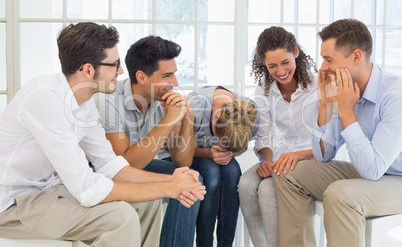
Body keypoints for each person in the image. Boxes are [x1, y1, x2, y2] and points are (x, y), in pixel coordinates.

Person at [0, 22, 205, 247]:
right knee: (120, 219)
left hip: (48, 191)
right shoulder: (45, 98)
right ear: (88, 70)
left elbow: (111, 166)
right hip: (12, 205)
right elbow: (86, 188)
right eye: (115, 65)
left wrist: (173, 180)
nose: (120, 71)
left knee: (149, 203)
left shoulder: (83, 101)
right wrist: (169, 187)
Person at [272, 18, 402, 247]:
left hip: (395, 178)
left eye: (328, 59)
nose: (322, 68)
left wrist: (345, 111)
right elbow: (324, 155)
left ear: (356, 57)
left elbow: (373, 168)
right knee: (288, 173)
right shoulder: (345, 88)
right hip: (368, 172)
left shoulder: (395, 95)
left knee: (340, 194)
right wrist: (325, 105)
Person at [95, 35, 200, 247]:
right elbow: (123, 167)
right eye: (167, 75)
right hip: (102, 169)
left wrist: (187, 118)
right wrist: (169, 120)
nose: (176, 83)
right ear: (141, 77)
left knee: (191, 180)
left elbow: (182, 162)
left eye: (175, 74)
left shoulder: (164, 97)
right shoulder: (108, 100)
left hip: (138, 160)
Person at [237, 26, 318, 247]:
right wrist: (266, 161)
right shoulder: (264, 88)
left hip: (312, 157)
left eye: (285, 62)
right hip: (281, 156)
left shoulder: (317, 84)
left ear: (296, 53)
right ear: (264, 64)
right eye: (272, 65)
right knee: (245, 184)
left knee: (267, 189)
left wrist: (297, 157)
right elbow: (264, 133)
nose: (280, 71)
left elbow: (330, 139)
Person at [186, 86, 259, 247]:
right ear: (216, 116)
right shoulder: (195, 107)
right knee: (211, 173)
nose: (219, 145)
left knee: (233, 171)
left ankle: (226, 244)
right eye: (218, 138)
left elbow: (240, 149)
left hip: (216, 159)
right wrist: (207, 153)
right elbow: (172, 149)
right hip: (190, 155)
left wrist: (231, 152)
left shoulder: (250, 114)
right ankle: (204, 243)